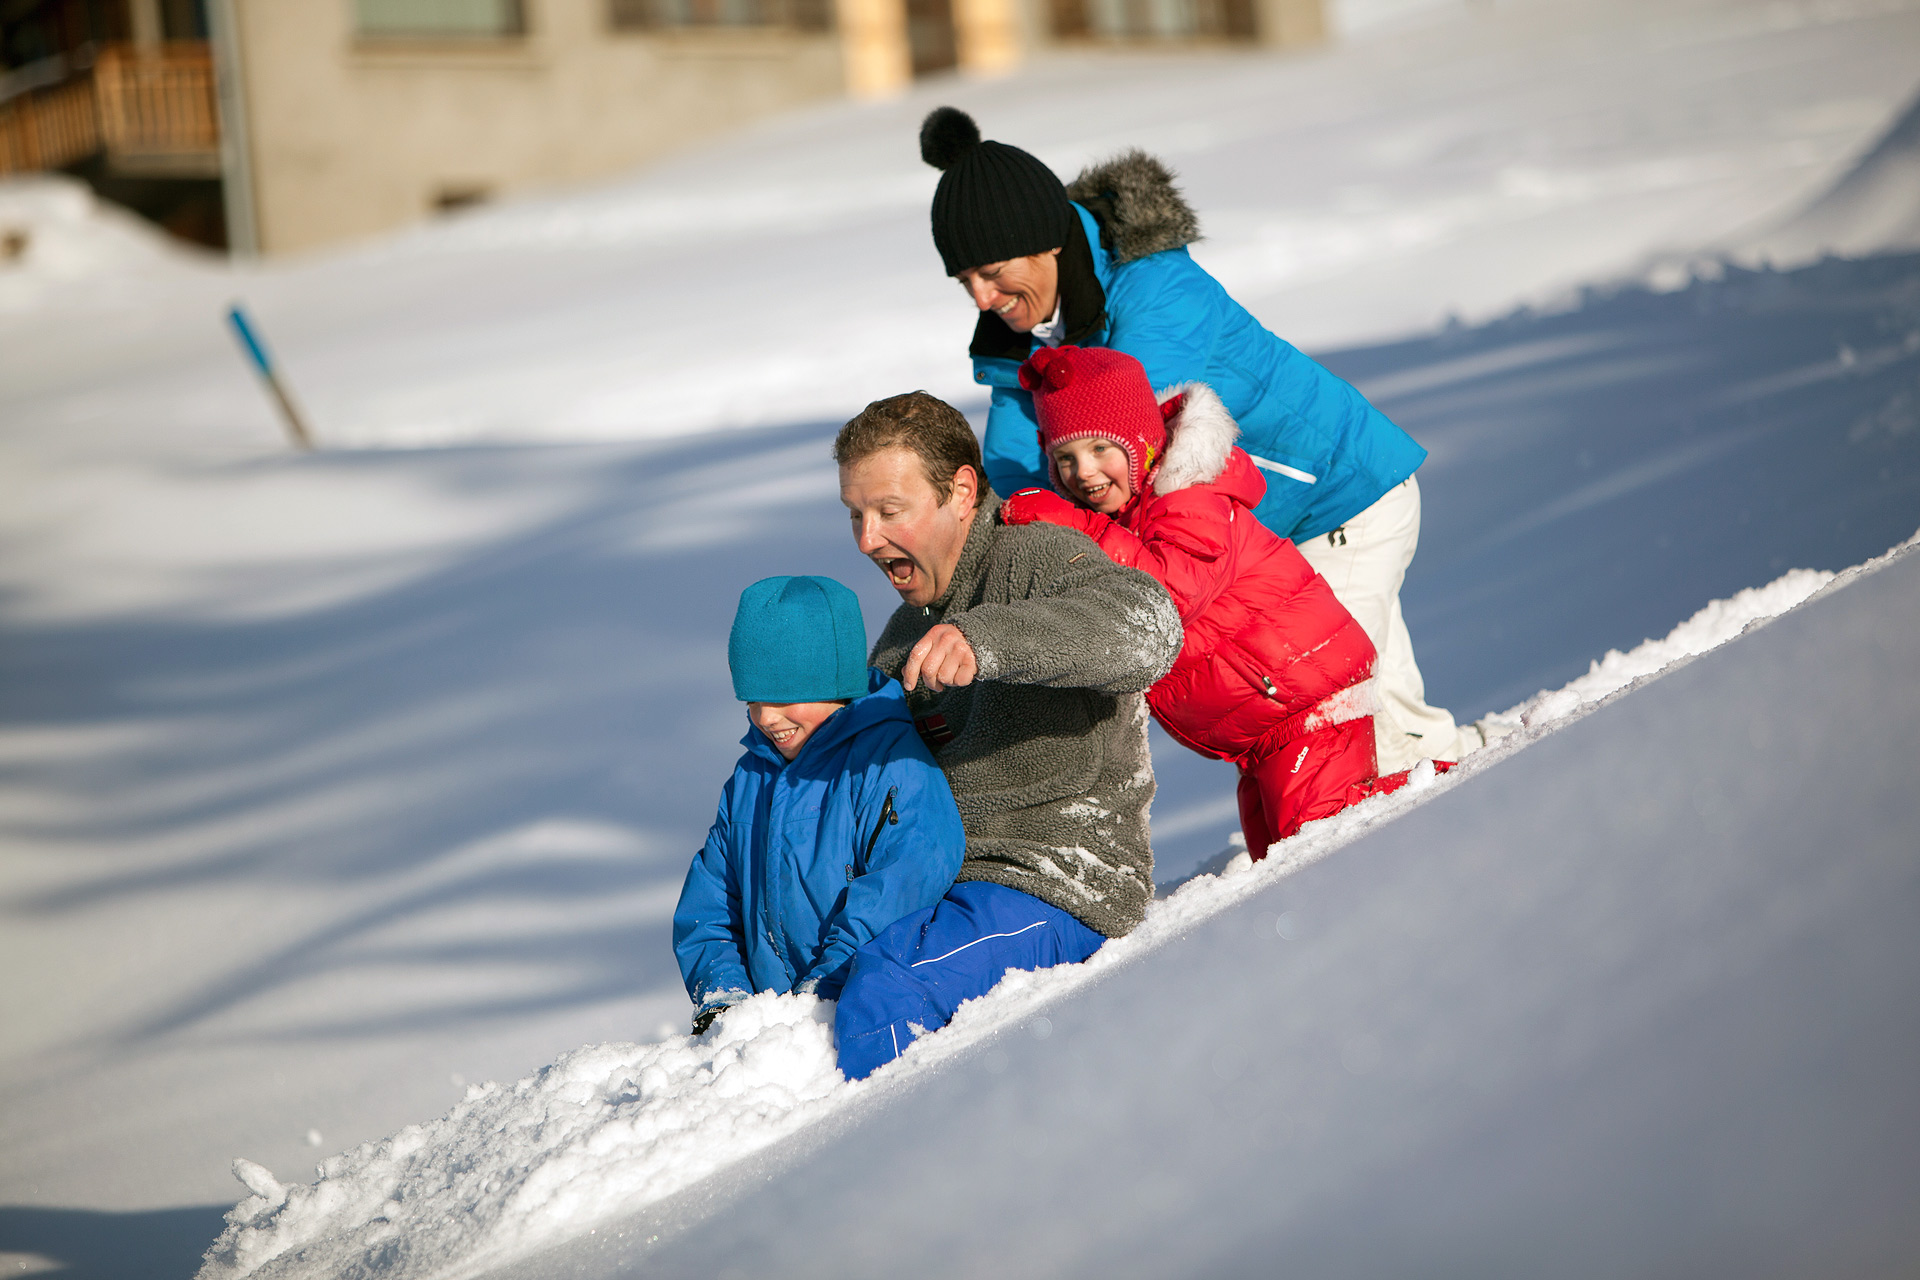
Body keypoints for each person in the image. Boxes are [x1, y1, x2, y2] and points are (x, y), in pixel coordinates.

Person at [917, 104, 1491, 773]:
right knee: (1396, 727)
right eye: (966, 282)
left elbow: (1119, 448)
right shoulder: (1028, 342)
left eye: (991, 272)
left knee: (1336, 709)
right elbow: (1020, 473)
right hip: (1260, 547)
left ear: (1046, 240)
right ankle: (1473, 774)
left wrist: (1050, 518)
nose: (982, 298)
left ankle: (1400, 835)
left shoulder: (1158, 295)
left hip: (1338, 499)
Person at [830, 390, 1182, 1079]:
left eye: (888, 512)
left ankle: (894, 1162)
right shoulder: (903, 636)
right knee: (834, 978)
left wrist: (987, 639)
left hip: (1060, 878)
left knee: (888, 986)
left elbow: (1150, 627)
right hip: (948, 889)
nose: (867, 539)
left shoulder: (1035, 560)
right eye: (855, 515)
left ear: (962, 491)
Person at [1001, 344, 1424, 859]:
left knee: (1324, 849)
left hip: (1307, 702)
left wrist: (1076, 525)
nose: (1083, 472)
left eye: (1100, 450)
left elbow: (1168, 593)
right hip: (1261, 732)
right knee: (1278, 860)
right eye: (1064, 458)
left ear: (1142, 444)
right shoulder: (1122, 523)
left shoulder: (1188, 498)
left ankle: (1450, 790)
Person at [673, 575, 966, 1036]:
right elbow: (711, 901)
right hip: (774, 1030)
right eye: (753, 700)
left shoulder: (888, 765)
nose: (767, 718)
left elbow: (903, 885)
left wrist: (824, 992)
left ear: (836, 682)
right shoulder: (752, 778)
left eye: (784, 697)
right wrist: (724, 996)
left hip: (854, 1017)